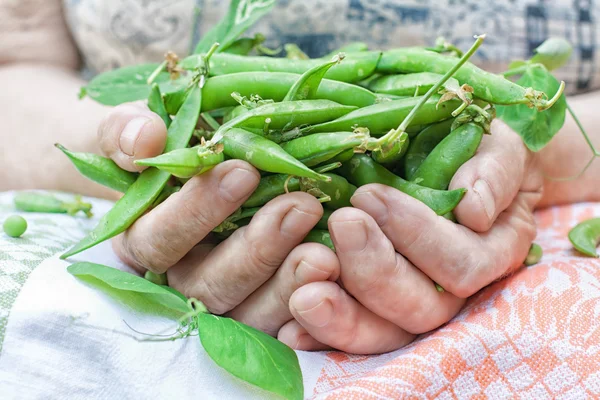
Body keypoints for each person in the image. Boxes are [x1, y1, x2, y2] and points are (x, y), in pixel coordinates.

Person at [2, 0, 600, 354]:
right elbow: (15, 64)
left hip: (543, 254)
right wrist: (139, 162)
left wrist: (535, 158)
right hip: (100, 249)